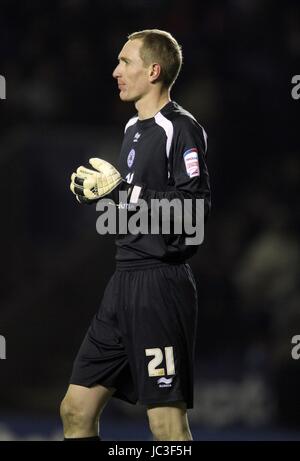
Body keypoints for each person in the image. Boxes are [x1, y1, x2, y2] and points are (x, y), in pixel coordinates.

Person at [60, 29, 211, 441]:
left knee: (164, 423)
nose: (116, 71)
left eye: (126, 62)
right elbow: (133, 208)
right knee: (75, 410)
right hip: (122, 281)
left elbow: (192, 217)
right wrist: (103, 199)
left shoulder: (181, 129)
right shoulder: (133, 127)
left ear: (154, 70)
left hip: (160, 286)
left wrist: (122, 192)